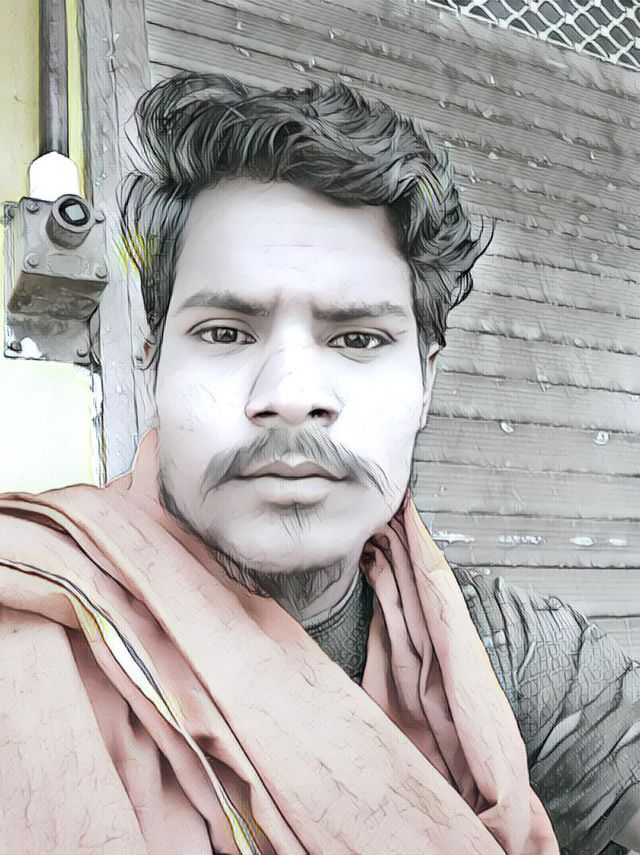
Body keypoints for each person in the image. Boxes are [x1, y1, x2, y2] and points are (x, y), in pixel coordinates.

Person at [0, 71, 638, 855]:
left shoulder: (514, 655)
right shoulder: (30, 628)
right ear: (152, 361)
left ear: (426, 381)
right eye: (226, 333)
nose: (291, 395)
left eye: (359, 338)